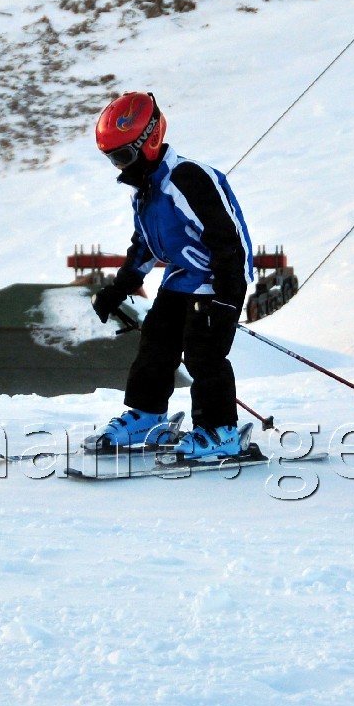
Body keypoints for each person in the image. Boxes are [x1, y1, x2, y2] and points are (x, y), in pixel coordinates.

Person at [90, 91, 255, 459]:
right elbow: (144, 246)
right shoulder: (146, 191)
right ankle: (148, 416)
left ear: (148, 141)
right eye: (112, 159)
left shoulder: (187, 179)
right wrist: (118, 289)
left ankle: (220, 430)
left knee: (203, 353)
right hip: (181, 278)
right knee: (156, 342)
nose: (119, 167)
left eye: (122, 156)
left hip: (215, 278)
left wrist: (228, 298)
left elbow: (228, 238)